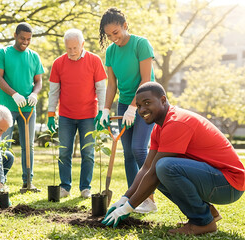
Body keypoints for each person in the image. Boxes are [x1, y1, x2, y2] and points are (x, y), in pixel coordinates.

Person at [102, 82, 245, 235]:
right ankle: (208, 213)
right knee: (158, 170)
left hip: (229, 184)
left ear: (163, 100)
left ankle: (203, 223)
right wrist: (124, 198)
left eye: (147, 103)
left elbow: (155, 172)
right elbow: (146, 168)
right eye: (138, 106)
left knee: (164, 167)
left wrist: (128, 208)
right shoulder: (159, 128)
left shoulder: (176, 122)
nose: (142, 110)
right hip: (215, 179)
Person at [98, 7, 156, 213]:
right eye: (109, 35)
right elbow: (112, 84)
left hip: (148, 101)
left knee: (139, 149)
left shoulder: (141, 44)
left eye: (116, 32)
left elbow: (146, 79)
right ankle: (135, 198)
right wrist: (105, 109)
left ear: (124, 26)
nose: (114, 38)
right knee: (128, 154)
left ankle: (149, 198)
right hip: (124, 103)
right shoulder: (111, 51)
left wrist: (134, 106)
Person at [47, 29, 107, 198]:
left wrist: (102, 111)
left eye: (75, 48)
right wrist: (51, 114)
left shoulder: (94, 60)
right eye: (68, 48)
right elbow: (54, 91)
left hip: (89, 115)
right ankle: (65, 187)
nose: (72, 52)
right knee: (64, 152)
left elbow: (101, 89)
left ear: (82, 45)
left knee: (88, 153)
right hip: (66, 115)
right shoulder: (58, 63)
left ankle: (85, 188)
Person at [0, 22, 44, 190]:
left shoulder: (34, 56)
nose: (26, 42)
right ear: (15, 35)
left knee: (28, 146)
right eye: (22, 38)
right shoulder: (3, 53)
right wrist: (14, 94)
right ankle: (1, 181)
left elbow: (39, 81)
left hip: (28, 108)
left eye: (29, 39)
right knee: (3, 144)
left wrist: (35, 93)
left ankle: (28, 181)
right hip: (6, 108)